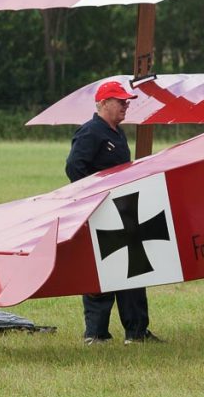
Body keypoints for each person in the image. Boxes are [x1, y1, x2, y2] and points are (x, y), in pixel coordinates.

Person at [66, 80, 162, 346]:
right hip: (101, 211)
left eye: (127, 101)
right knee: (102, 272)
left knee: (134, 269)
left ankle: (137, 331)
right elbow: (75, 168)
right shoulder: (91, 132)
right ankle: (95, 334)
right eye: (121, 101)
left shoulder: (116, 132)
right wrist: (94, 197)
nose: (126, 105)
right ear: (104, 103)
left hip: (123, 210)